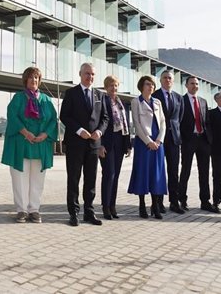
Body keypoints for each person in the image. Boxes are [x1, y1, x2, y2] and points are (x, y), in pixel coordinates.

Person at [1, 66, 58, 223]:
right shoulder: (18, 98)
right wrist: (26, 133)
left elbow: (53, 119)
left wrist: (44, 134)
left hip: (40, 144)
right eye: (31, 77)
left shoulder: (46, 100)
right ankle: (21, 210)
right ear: (25, 80)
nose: (34, 80)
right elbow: (12, 116)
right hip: (21, 143)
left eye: (36, 78)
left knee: (37, 179)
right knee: (19, 178)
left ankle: (34, 209)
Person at [60, 62, 109, 226]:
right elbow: (64, 116)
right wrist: (79, 130)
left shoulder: (99, 95)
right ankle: (73, 212)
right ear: (80, 74)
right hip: (75, 143)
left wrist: (100, 132)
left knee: (91, 179)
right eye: (87, 73)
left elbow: (105, 118)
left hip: (94, 145)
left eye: (93, 74)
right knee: (73, 179)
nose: (90, 77)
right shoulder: (71, 93)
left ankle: (89, 212)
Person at [127, 75, 167, 219]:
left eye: (152, 84)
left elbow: (163, 122)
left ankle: (155, 206)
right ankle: (142, 205)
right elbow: (137, 124)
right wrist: (148, 141)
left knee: (157, 173)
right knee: (143, 173)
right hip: (144, 143)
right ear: (141, 86)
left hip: (157, 142)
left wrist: (159, 140)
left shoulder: (158, 102)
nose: (151, 87)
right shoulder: (136, 102)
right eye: (147, 84)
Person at [178, 76, 216, 212]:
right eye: (192, 83)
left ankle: (205, 201)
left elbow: (207, 121)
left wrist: (209, 139)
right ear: (186, 85)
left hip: (203, 140)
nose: (195, 86)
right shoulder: (181, 101)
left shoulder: (203, 101)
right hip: (188, 140)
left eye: (197, 84)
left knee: (204, 172)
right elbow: (178, 122)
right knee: (185, 171)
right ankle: (182, 199)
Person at [98, 75, 131, 220]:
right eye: (111, 85)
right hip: (107, 141)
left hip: (120, 140)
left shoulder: (121, 102)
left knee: (116, 176)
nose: (114, 88)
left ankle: (112, 205)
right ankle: (105, 206)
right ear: (106, 87)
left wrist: (128, 144)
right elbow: (99, 123)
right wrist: (100, 144)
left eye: (116, 85)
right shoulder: (102, 101)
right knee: (109, 174)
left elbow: (126, 124)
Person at [152, 70, 184, 214]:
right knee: (159, 171)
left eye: (170, 78)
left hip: (174, 139)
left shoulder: (179, 98)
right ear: (160, 80)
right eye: (164, 78)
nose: (167, 80)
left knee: (173, 171)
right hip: (159, 138)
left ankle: (174, 201)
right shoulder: (155, 96)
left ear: (173, 80)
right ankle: (158, 202)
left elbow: (179, 118)